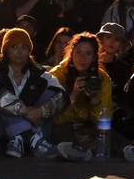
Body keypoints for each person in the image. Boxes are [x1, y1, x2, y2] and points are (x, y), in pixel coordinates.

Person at [0, 28, 68, 157]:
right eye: (14, 46)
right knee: (0, 100)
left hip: (38, 129)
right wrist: (24, 111)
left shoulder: (40, 74)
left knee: (52, 92)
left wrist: (41, 111)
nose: (19, 51)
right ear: (6, 50)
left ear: (29, 50)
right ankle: (28, 137)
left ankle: (29, 139)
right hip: (1, 134)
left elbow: (63, 96)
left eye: (24, 46)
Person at [47, 32, 114, 161]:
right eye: (78, 52)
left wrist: (95, 100)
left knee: (111, 135)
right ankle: (80, 150)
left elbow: (106, 119)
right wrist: (72, 96)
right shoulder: (57, 75)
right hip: (64, 126)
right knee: (61, 134)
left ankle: (132, 149)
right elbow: (55, 119)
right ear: (71, 53)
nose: (82, 58)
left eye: (88, 54)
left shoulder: (102, 79)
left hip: (89, 127)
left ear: (94, 57)